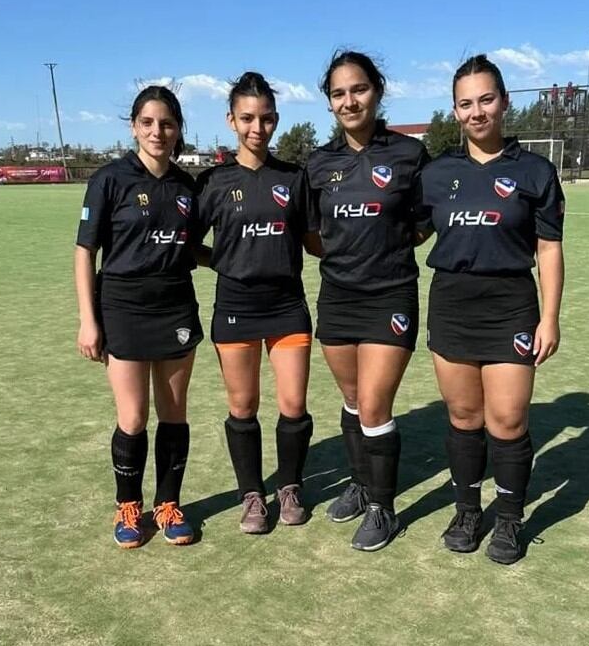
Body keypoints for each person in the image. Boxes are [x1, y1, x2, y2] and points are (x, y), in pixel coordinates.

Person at [416, 54, 565, 564]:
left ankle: (509, 519)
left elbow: (548, 248)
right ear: (455, 111)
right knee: (463, 415)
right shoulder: (436, 175)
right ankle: (466, 509)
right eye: (465, 103)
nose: (476, 111)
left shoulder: (534, 171)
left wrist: (550, 317)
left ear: (503, 102)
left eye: (485, 99)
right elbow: (407, 230)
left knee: (506, 418)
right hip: (452, 303)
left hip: (510, 306)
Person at [305, 50, 430, 552]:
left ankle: (384, 507)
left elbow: (423, 223)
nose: (349, 100)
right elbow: (313, 235)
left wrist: (384, 251)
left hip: (390, 295)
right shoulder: (319, 162)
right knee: (353, 400)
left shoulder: (408, 155)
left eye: (358, 89)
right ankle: (360, 485)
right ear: (330, 102)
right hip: (337, 295)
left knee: (376, 404)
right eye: (339, 93)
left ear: (377, 91)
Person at [75, 85, 202, 548]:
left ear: (178, 129)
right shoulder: (109, 180)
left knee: (174, 414)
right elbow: (84, 252)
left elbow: (192, 250)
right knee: (133, 417)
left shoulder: (188, 186)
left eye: (166, 124)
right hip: (123, 308)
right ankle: (128, 505)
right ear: (133, 127)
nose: (157, 132)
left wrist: (244, 254)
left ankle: (169, 505)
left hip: (175, 307)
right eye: (147, 123)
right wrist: (89, 320)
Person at [196, 72, 319, 534]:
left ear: (276, 121)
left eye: (266, 118)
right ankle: (252, 495)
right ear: (231, 120)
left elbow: (312, 241)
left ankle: (289, 486)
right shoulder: (213, 181)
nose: (257, 127)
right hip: (236, 306)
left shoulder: (294, 177)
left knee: (292, 404)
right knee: (243, 405)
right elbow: (189, 245)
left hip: (287, 305)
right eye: (247, 118)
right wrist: (223, 261)